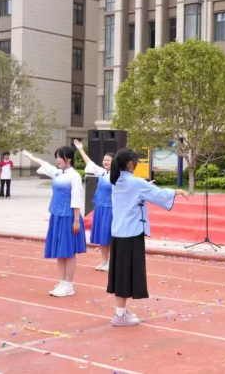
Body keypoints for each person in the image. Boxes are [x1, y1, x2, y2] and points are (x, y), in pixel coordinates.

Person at [107, 148, 188, 326]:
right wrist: (178, 192)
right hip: (131, 233)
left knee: (120, 273)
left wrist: (146, 186)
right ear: (130, 164)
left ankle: (121, 311)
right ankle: (120, 315)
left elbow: (140, 192)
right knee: (127, 273)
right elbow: (158, 194)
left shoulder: (115, 180)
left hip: (118, 232)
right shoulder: (136, 183)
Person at [23, 148, 86, 297]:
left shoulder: (74, 176)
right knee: (60, 251)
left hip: (69, 217)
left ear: (69, 159)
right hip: (56, 216)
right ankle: (63, 282)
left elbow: (76, 198)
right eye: (56, 157)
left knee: (68, 251)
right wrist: (31, 156)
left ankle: (69, 284)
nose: (57, 160)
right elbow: (44, 163)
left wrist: (76, 221)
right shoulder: (57, 173)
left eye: (60, 157)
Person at [73, 140, 114, 271]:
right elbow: (90, 163)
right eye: (104, 160)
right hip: (99, 208)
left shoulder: (118, 176)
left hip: (110, 210)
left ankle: (112, 263)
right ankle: (104, 261)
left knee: (109, 236)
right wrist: (80, 149)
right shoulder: (102, 172)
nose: (105, 162)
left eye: (108, 160)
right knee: (102, 237)